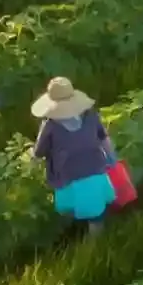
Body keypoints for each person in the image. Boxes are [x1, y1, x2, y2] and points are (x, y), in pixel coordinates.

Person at [31, 77, 119, 236]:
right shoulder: (90, 117)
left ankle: (80, 233)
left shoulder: (50, 126)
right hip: (94, 171)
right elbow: (104, 138)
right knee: (95, 214)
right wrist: (111, 158)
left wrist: (33, 163)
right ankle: (95, 238)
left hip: (67, 177)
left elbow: (38, 152)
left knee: (72, 206)